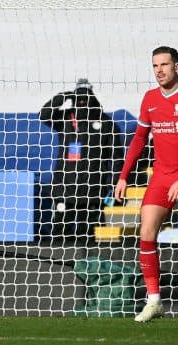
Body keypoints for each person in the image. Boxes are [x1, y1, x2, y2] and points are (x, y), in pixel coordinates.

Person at [114, 46, 178, 323]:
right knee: (146, 233)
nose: (159, 70)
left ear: (177, 67)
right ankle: (154, 300)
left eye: (165, 65)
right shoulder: (150, 99)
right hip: (161, 176)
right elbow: (139, 139)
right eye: (155, 66)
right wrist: (123, 175)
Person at [39, 78, 125, 244]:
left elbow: (116, 157)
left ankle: (89, 266)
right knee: (60, 234)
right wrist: (63, 96)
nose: (83, 101)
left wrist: (114, 183)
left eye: (86, 98)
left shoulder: (106, 123)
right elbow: (44, 115)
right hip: (65, 189)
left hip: (93, 191)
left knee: (89, 236)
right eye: (79, 98)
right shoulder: (65, 119)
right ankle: (58, 267)